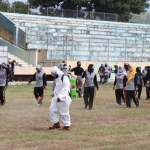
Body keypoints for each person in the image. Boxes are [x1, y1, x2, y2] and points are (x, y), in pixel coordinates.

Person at [49, 66, 72, 131]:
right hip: (56, 97)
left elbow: (66, 88)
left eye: (54, 74)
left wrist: (60, 97)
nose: (53, 75)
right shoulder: (57, 78)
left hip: (64, 97)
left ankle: (66, 126)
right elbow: (57, 88)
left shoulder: (64, 78)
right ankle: (56, 123)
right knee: (52, 109)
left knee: (64, 112)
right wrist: (54, 94)